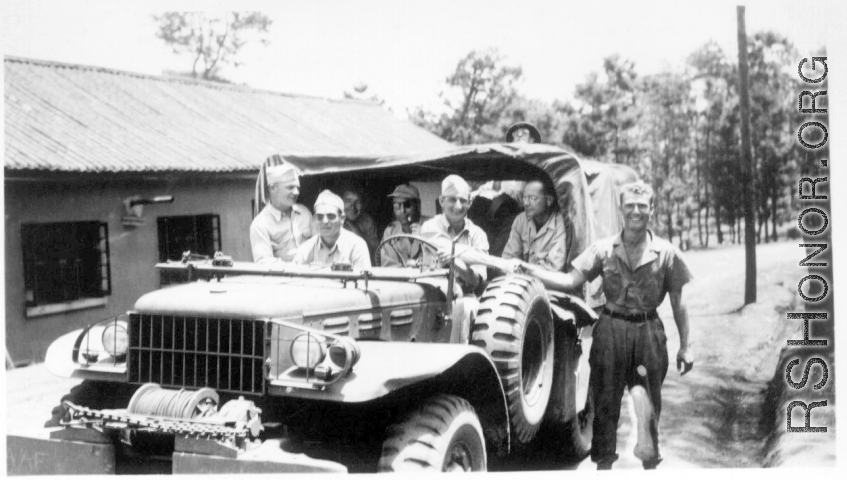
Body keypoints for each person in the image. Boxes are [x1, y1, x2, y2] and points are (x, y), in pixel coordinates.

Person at [517, 181, 693, 470]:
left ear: (652, 209)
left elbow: (679, 303)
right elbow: (571, 281)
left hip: (648, 333)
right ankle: (604, 467)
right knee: (605, 406)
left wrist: (686, 347)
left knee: (648, 404)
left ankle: (650, 464)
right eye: (629, 206)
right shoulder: (603, 249)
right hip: (610, 331)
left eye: (642, 206)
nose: (636, 211)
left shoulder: (667, 253)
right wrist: (531, 270)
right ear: (621, 210)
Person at [420, 175, 489, 292]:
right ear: (441, 201)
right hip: (433, 295)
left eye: (463, 200)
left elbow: (477, 281)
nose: (458, 206)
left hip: (465, 297)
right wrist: (464, 260)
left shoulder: (478, 235)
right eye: (452, 199)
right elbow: (442, 248)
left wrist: (455, 261)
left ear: (470, 203)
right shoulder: (429, 227)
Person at [250, 162, 313, 263]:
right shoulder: (260, 224)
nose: (296, 192)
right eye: (290, 187)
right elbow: (264, 262)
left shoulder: (304, 212)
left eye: (297, 187)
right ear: (273, 188)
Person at [293, 190, 371, 270]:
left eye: (331, 216)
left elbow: (363, 281)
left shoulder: (357, 246)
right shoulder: (305, 250)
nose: (325, 221)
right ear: (314, 219)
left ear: (342, 219)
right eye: (319, 217)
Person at [502, 179, 567, 272]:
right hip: (521, 280)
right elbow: (508, 259)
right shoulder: (521, 220)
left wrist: (522, 272)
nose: (526, 203)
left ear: (549, 200)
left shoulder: (560, 224)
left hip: (549, 284)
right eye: (524, 198)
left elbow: (554, 268)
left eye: (532, 198)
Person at [380, 184, 426, 267]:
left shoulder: (431, 226)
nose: (402, 211)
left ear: (418, 205)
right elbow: (389, 266)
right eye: (397, 206)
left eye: (407, 205)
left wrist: (425, 237)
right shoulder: (390, 232)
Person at [340, 185, 380, 262]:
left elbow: (376, 256)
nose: (353, 207)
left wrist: (358, 234)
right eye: (348, 201)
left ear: (363, 205)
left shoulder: (367, 221)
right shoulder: (332, 219)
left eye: (358, 202)